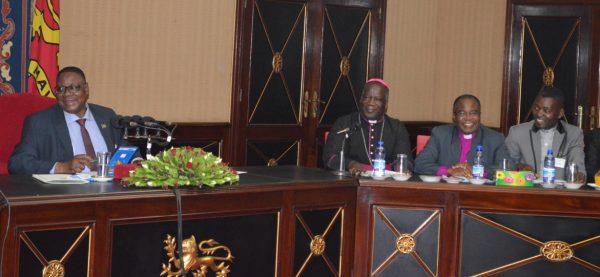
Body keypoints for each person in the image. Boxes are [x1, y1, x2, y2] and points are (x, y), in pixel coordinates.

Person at [9, 66, 130, 175]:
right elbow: (17, 163)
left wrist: (139, 163)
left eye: (73, 88)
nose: (66, 94)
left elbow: (127, 150)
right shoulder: (39, 122)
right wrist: (61, 167)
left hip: (110, 190)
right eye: (61, 89)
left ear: (86, 89)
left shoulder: (107, 115)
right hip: (67, 193)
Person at [323, 78, 412, 173]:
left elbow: (406, 160)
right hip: (352, 182)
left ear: (385, 105)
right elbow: (330, 157)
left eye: (377, 99)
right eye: (366, 97)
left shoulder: (397, 127)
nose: (370, 103)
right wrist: (350, 164)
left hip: (388, 182)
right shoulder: (344, 123)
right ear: (360, 100)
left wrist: (402, 167)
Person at [414, 94, 509, 178]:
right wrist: (449, 171)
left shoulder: (495, 138)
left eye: (473, 113)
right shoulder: (441, 134)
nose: (468, 118)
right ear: (454, 117)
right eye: (462, 113)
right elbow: (420, 164)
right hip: (445, 192)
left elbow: (508, 167)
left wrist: (478, 172)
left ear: (480, 116)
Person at [505, 86, 585, 182]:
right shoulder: (517, 132)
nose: (539, 113)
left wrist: (579, 176)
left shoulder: (574, 134)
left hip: (559, 193)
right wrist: (519, 167)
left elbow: (577, 166)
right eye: (536, 108)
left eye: (546, 110)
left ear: (560, 113)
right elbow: (506, 165)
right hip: (526, 190)